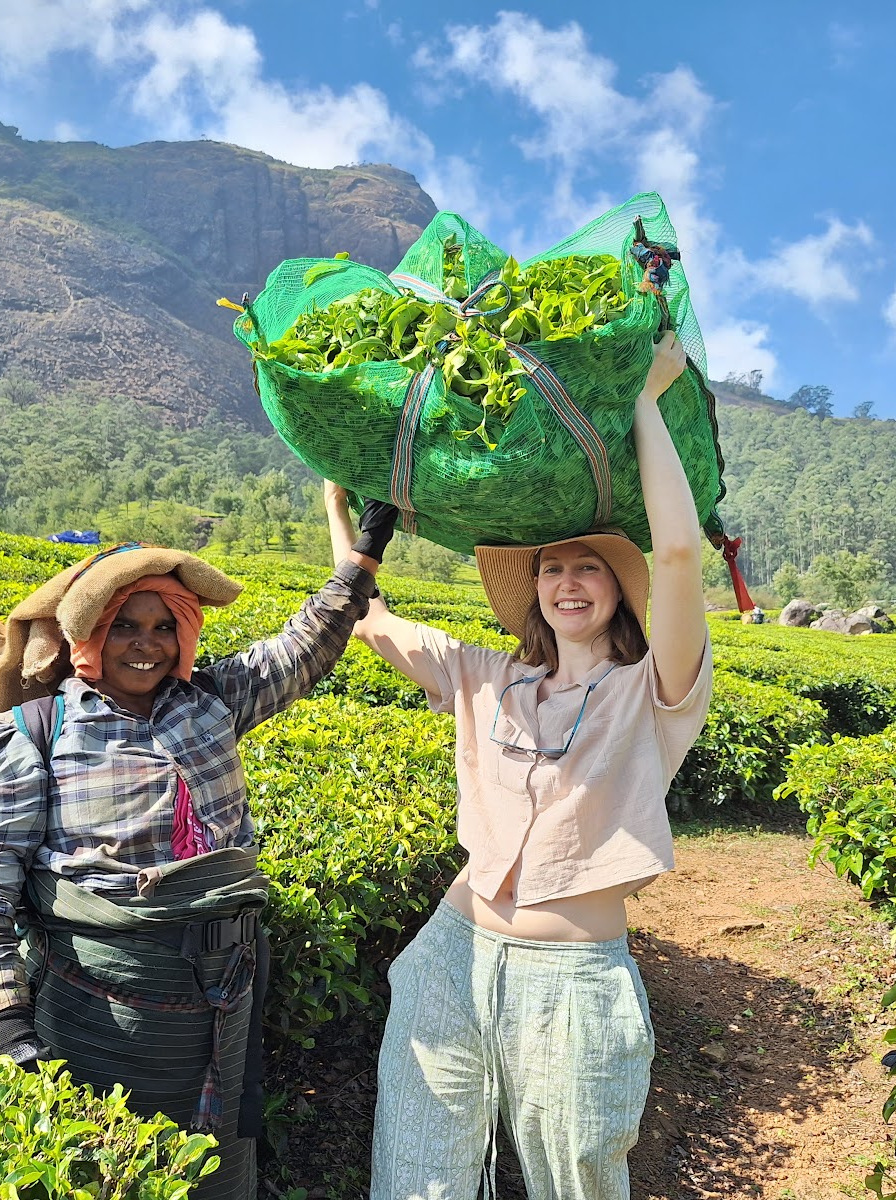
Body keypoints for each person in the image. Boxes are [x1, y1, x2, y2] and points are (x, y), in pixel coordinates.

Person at [325, 332, 712, 1200]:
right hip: (451, 955)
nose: (567, 582)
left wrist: (646, 399)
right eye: (551, 568)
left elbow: (681, 556)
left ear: (620, 588)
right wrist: (338, 501)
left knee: (577, 1179)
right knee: (417, 1173)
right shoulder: (488, 678)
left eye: (589, 568)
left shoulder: (654, 691)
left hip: (571, 983)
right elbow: (367, 614)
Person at [0, 517, 397, 1200]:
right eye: (124, 626)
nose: (145, 644)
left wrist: (363, 556)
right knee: (104, 1167)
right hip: (98, 998)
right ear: (89, 638)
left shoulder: (210, 702)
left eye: (163, 626)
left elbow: (303, 649)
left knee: (212, 1165)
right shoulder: (34, 733)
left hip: (221, 990)